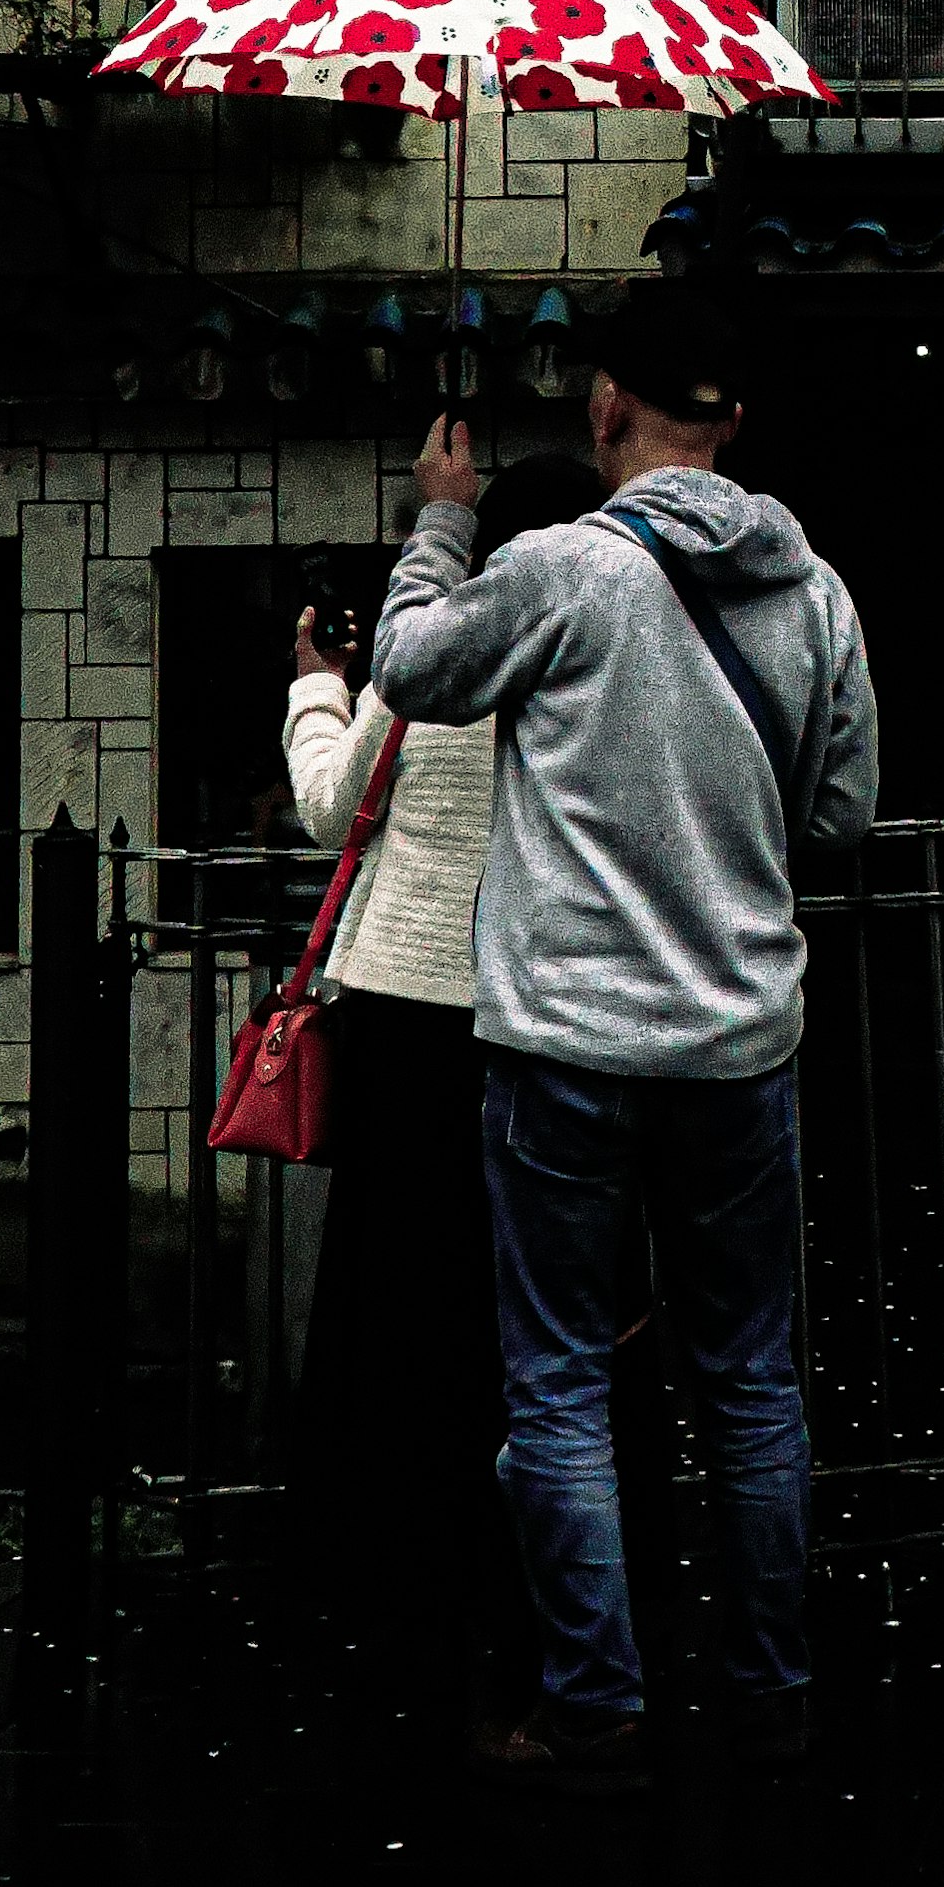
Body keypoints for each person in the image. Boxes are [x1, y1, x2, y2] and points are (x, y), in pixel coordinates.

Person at [368, 285, 876, 1799]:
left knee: (562, 1382)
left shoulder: (558, 573)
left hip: (567, 1055)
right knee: (751, 1382)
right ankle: (773, 1696)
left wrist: (441, 521)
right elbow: (840, 819)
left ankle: (594, 1702)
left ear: (603, 412)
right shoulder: (819, 596)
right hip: (740, 1054)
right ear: (732, 426)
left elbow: (410, 671)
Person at [283, 446, 608, 1703]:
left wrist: (320, 684)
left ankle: (371, 1565)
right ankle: (509, 1566)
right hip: (530, 1012)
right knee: (511, 1306)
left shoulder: (435, 653)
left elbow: (330, 806)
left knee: (387, 1292)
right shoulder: (587, 657)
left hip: (397, 1017)